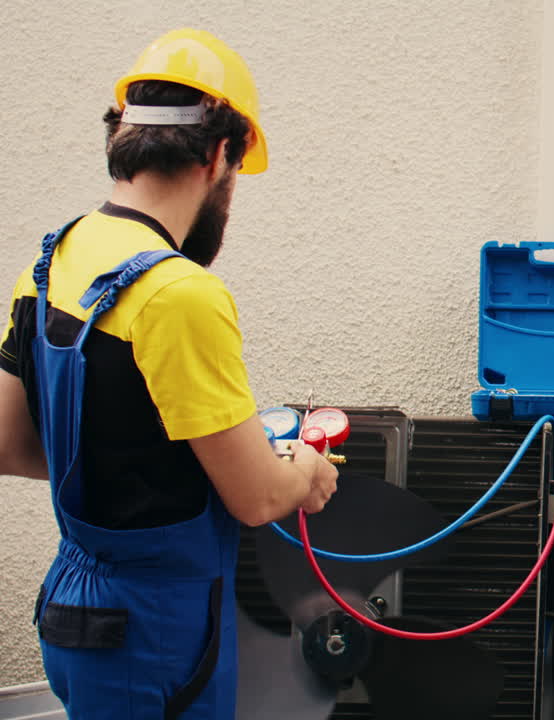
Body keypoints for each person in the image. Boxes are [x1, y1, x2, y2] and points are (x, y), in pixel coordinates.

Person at [0, 29, 338, 719]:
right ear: (220, 155)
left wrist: (148, 463)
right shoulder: (180, 294)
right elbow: (254, 498)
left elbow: (10, 443)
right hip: (156, 634)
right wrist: (302, 471)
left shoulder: (54, 259)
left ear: (120, 141)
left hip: (74, 612)